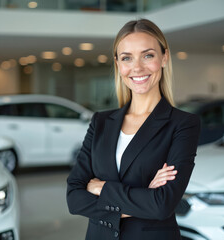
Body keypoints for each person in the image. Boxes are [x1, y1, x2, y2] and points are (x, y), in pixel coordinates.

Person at [66, 19, 201, 240]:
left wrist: (101, 188)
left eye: (148, 55)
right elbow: (74, 198)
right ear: (118, 64)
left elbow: (162, 205)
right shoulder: (100, 122)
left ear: (164, 58)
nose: (137, 67)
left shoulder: (183, 124)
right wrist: (144, 195)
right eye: (127, 58)